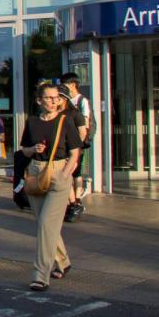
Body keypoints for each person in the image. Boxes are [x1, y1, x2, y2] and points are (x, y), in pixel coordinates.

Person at [20, 82, 83, 291]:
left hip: (59, 173)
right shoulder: (32, 122)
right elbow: (24, 150)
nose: (53, 101)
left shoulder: (66, 121)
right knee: (44, 225)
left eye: (56, 97)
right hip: (37, 172)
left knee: (47, 224)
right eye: (48, 97)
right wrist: (33, 149)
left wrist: (65, 174)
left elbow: (75, 152)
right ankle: (63, 261)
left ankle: (40, 274)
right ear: (39, 100)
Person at [60, 73, 92, 223]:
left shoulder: (81, 102)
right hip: (64, 147)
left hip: (74, 147)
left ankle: (76, 201)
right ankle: (71, 203)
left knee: (74, 174)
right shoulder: (59, 110)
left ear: (73, 84)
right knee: (66, 175)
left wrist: (76, 148)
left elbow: (83, 126)